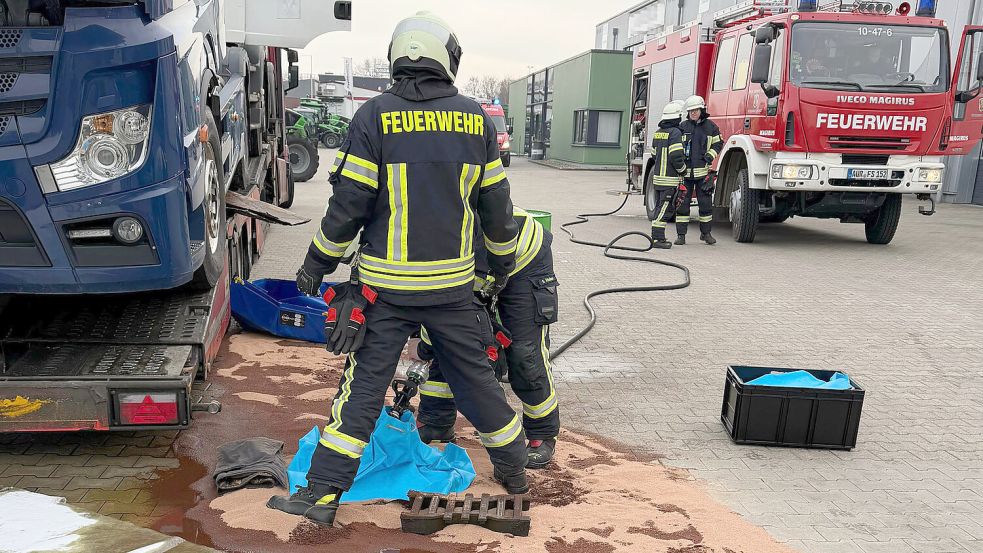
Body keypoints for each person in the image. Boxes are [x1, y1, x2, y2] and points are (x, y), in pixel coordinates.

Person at [267, 11, 529, 526]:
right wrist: (495, 272)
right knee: (477, 383)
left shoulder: (374, 117)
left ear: (398, 56)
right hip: (453, 290)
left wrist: (315, 265)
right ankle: (516, 471)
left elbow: (348, 208)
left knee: (362, 391)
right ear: (444, 58)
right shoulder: (476, 118)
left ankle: (319, 497)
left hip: (385, 292)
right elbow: (497, 210)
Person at [416, 208, 560, 468]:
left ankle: (542, 432)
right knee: (442, 342)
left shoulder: (453, 231)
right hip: (476, 271)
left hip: (523, 259)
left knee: (524, 354)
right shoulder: (414, 240)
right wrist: (429, 341)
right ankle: (436, 422)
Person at [676, 95, 722, 246]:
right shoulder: (682, 127)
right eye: (690, 111)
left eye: (696, 110)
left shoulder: (711, 127)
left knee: (705, 205)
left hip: (702, 174)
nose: (693, 113)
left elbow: (718, 144)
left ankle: (706, 233)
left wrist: (710, 156)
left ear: (702, 110)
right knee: (683, 205)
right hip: (685, 174)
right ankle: (681, 236)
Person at [649, 101, 687, 249]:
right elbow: (676, 156)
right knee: (665, 209)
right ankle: (657, 238)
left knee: (660, 207)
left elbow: (653, 154)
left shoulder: (658, 132)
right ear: (677, 117)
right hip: (669, 179)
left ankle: (657, 236)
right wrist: (683, 170)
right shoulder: (675, 133)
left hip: (658, 178)